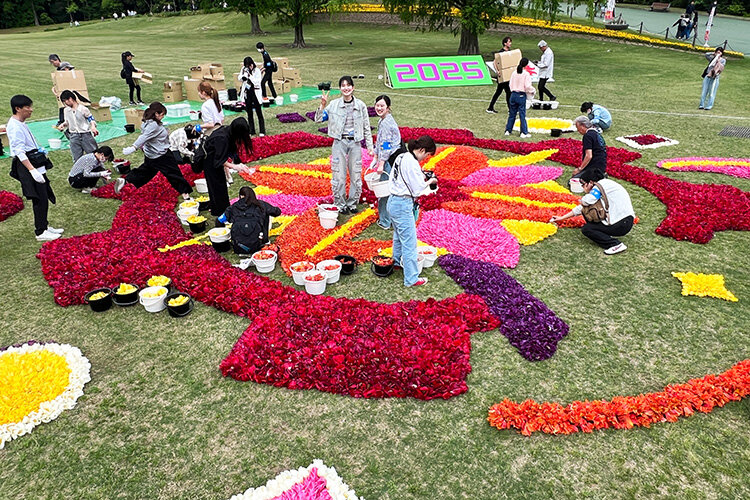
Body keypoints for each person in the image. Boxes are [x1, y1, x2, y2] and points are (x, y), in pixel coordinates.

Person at [7, 95, 63, 242]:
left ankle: (44, 225)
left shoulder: (21, 123)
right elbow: (19, 151)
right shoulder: (14, 126)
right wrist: (32, 170)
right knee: (39, 198)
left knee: (44, 194)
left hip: (35, 161)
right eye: (27, 108)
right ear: (18, 109)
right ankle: (40, 231)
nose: (31, 110)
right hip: (28, 164)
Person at [315, 75, 374, 213]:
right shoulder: (334, 105)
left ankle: (352, 203)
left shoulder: (360, 105)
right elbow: (318, 119)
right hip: (339, 142)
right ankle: (340, 203)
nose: (346, 88)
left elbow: (366, 127)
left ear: (353, 88)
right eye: (343, 85)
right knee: (339, 176)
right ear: (340, 88)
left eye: (348, 85)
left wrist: (370, 147)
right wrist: (322, 105)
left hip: (355, 143)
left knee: (355, 174)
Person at [114, 102, 192, 200]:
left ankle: (126, 180)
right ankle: (186, 194)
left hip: (151, 155)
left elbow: (149, 136)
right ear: (156, 114)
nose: (163, 116)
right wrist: (134, 147)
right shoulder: (153, 125)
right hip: (161, 155)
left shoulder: (148, 122)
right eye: (162, 114)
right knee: (174, 173)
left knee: (146, 172)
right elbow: (144, 137)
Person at [388, 135, 438, 287]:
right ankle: (411, 278)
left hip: (392, 201)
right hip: (402, 203)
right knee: (409, 242)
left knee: (398, 235)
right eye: (427, 155)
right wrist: (430, 181)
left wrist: (421, 175)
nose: (425, 158)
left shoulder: (402, 156)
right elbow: (417, 190)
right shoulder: (412, 162)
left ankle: (396, 262)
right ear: (422, 150)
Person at [550, 169, 634, 255]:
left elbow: (586, 202)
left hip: (621, 223)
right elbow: (581, 208)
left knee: (587, 229)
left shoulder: (600, 186)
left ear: (590, 182)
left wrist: (581, 199)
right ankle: (607, 234)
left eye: (583, 185)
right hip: (625, 222)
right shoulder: (607, 185)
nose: (583, 188)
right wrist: (562, 218)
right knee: (588, 218)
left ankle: (615, 244)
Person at [197, 117, 254, 219]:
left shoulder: (228, 132)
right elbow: (219, 160)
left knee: (219, 185)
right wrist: (235, 167)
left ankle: (217, 209)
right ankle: (221, 213)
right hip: (209, 161)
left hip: (214, 159)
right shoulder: (222, 138)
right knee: (218, 187)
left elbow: (226, 154)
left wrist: (239, 164)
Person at [219, 186, 281, 255]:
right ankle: (265, 239)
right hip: (258, 244)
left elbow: (219, 220)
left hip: (238, 246)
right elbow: (277, 212)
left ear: (241, 196)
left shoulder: (233, 207)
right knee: (266, 213)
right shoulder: (261, 205)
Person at [372, 94, 401, 230]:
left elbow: (386, 145)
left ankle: (385, 221)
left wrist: (381, 162)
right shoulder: (383, 120)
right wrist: (375, 156)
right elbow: (380, 141)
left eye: (382, 106)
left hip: (390, 159)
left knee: (384, 191)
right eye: (377, 105)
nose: (379, 108)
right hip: (391, 158)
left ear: (388, 107)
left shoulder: (386, 123)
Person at [57, 90, 99, 162]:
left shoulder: (83, 109)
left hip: (85, 135)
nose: (65, 103)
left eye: (65, 101)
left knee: (93, 155)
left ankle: (98, 170)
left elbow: (91, 119)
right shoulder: (66, 110)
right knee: (77, 158)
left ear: (70, 98)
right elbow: (67, 121)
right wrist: (63, 125)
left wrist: (93, 127)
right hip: (73, 136)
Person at [504, 58, 534, 139]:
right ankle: (524, 132)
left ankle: (508, 130)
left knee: (512, 114)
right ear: (526, 65)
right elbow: (527, 86)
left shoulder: (514, 73)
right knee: (522, 114)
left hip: (513, 94)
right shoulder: (526, 74)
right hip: (521, 95)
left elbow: (510, 84)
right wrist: (532, 91)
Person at [487, 36, 513, 114]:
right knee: (507, 92)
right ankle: (510, 109)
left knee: (501, 92)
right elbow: (494, 62)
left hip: (507, 76)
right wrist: (497, 71)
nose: (510, 43)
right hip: (502, 76)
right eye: (509, 42)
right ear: (505, 43)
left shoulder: (509, 52)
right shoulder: (501, 52)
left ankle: (490, 108)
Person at [240, 56, 265, 136]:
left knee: (259, 112)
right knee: (249, 113)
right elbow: (240, 77)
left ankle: (262, 131)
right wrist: (243, 76)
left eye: (249, 66)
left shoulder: (257, 71)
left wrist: (249, 75)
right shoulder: (244, 69)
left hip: (256, 92)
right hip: (247, 92)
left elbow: (257, 82)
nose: (249, 67)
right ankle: (252, 130)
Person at [49, 54, 74, 127]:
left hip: (69, 89)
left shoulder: (64, 65)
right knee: (62, 107)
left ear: (57, 60)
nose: (53, 64)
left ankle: (64, 121)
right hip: (63, 89)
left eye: (53, 62)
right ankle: (62, 121)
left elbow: (69, 74)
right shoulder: (58, 70)